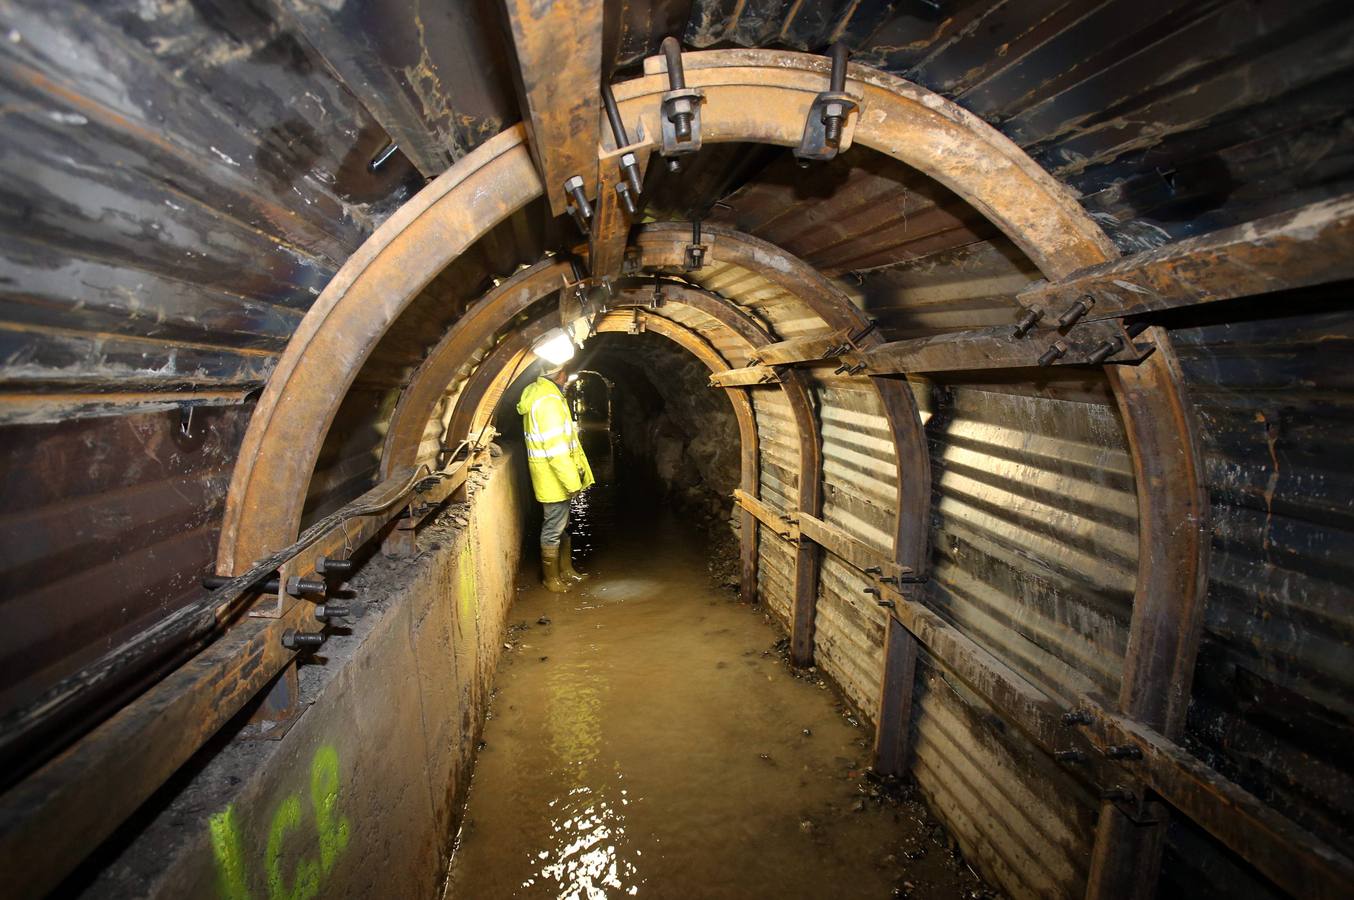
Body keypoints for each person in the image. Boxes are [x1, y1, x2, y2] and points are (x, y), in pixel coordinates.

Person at [516, 361, 595, 592]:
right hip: (554, 479)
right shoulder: (548, 404)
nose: (565, 380)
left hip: (552, 476)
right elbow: (556, 450)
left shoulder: (542, 396)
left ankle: (566, 570)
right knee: (554, 526)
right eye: (564, 375)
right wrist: (572, 483)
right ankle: (552, 579)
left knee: (563, 524)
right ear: (559, 375)